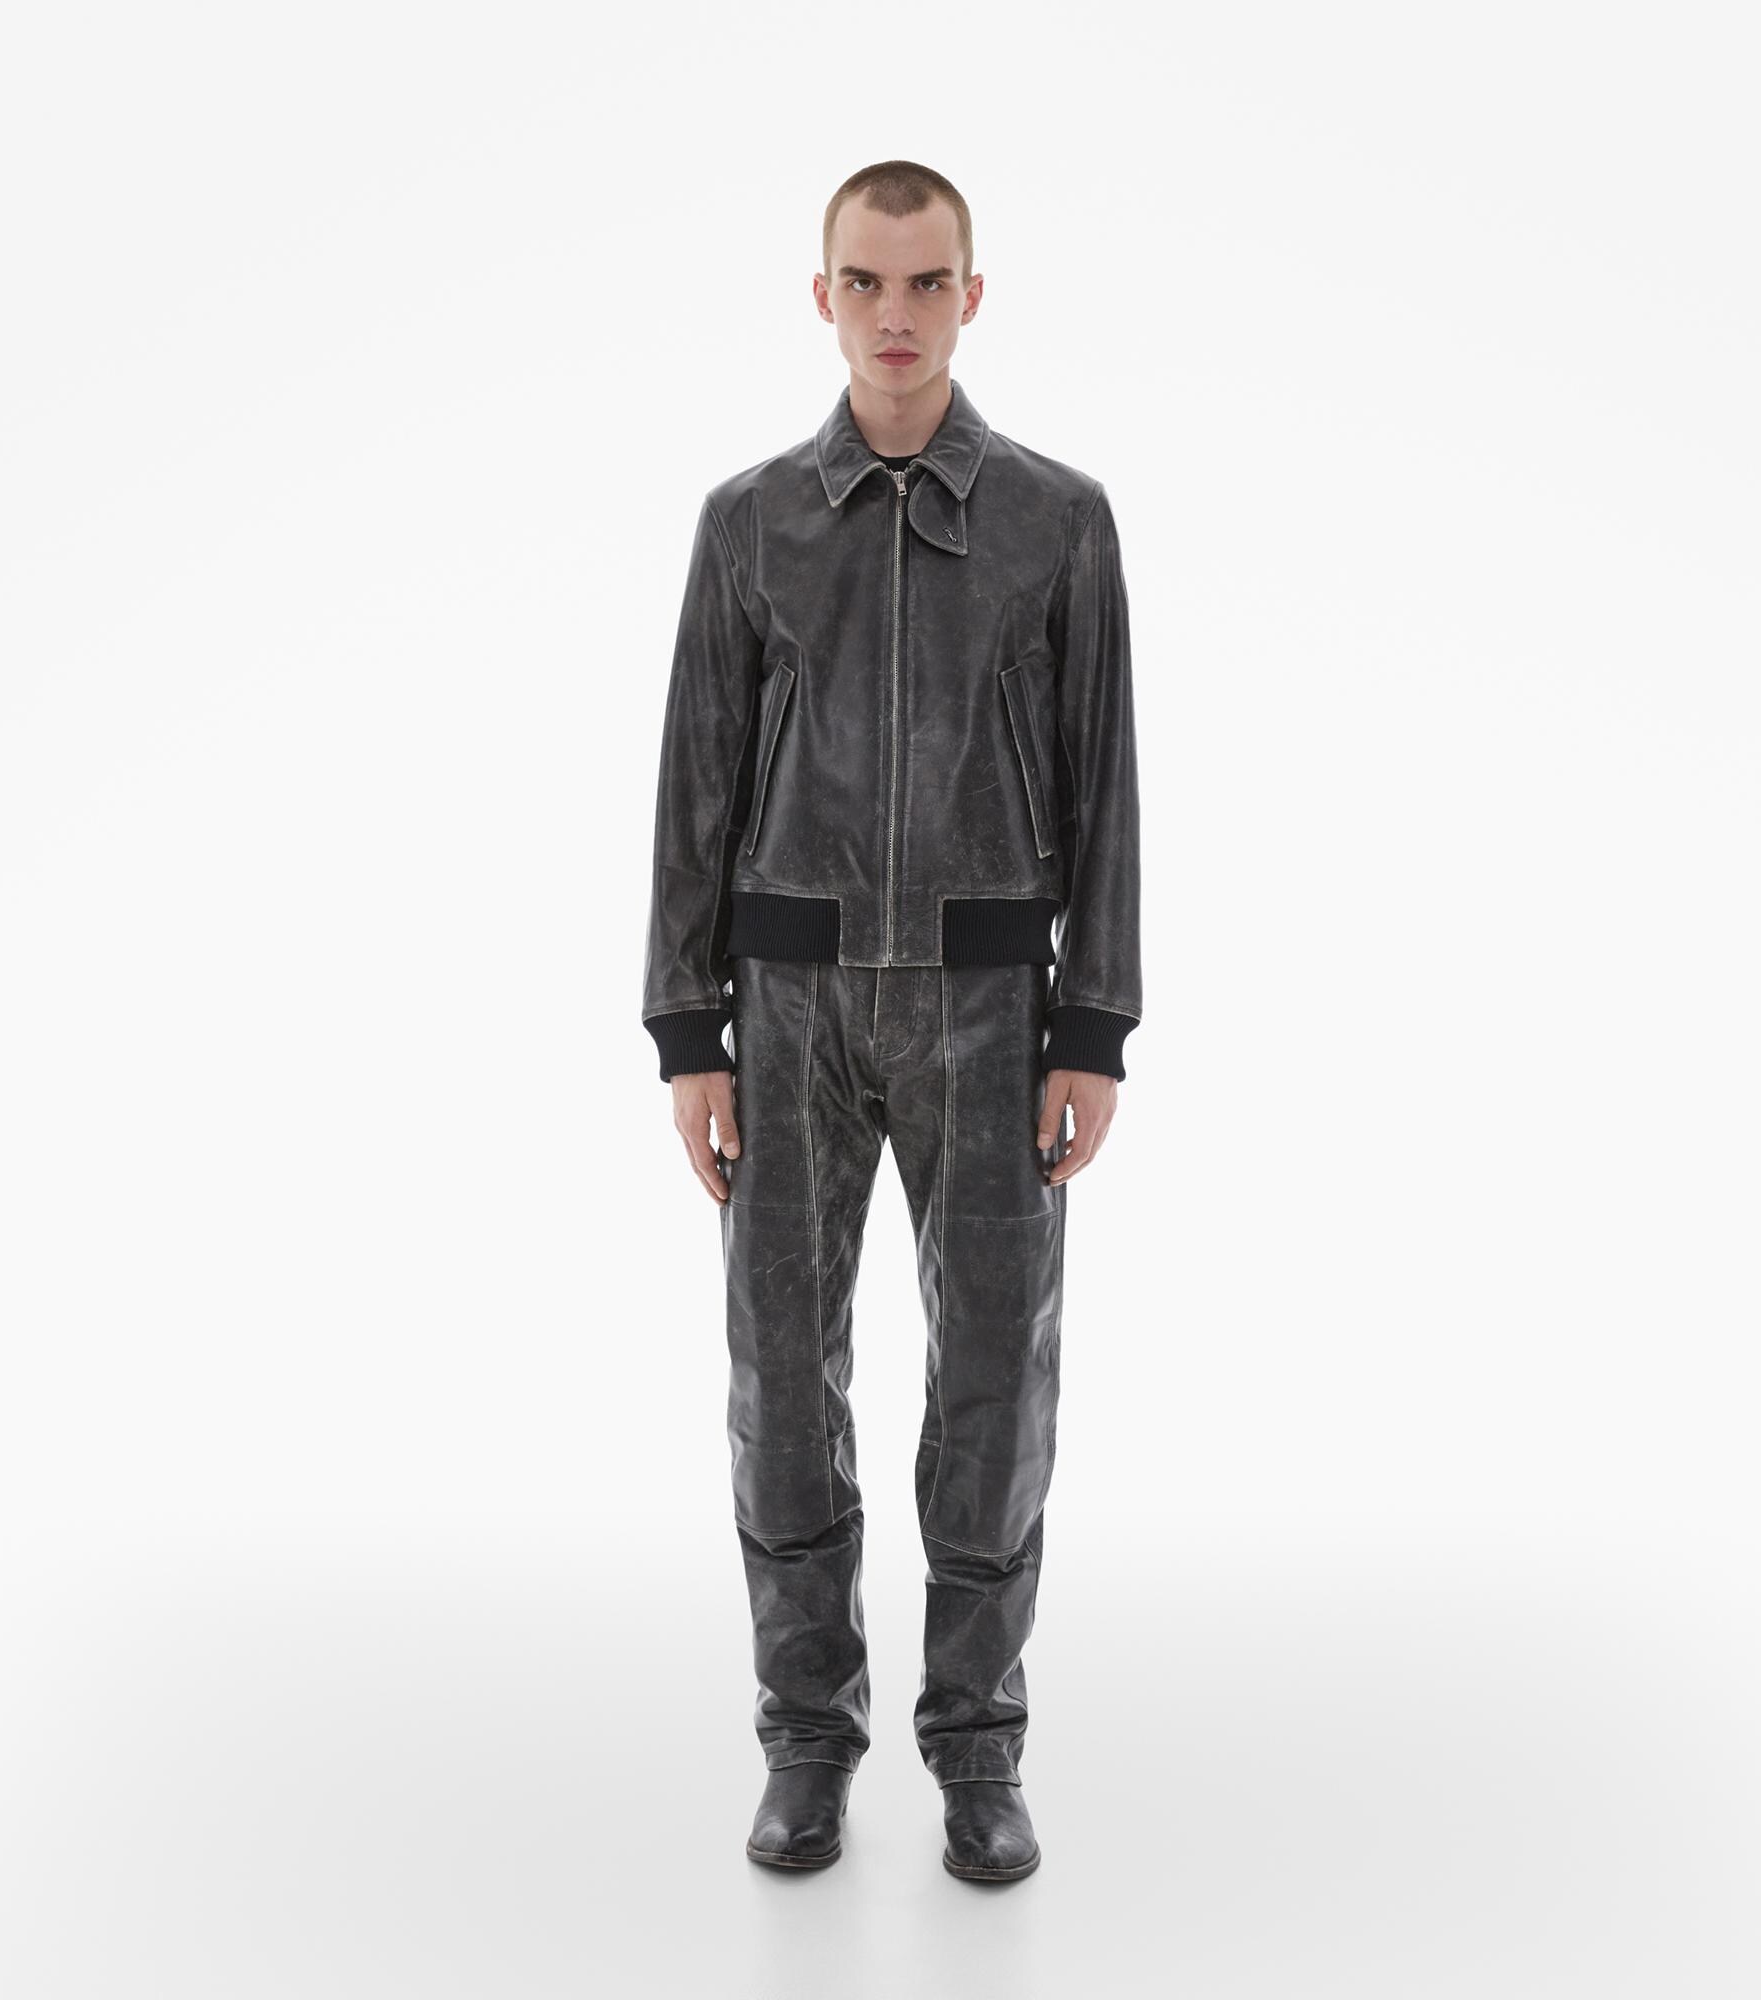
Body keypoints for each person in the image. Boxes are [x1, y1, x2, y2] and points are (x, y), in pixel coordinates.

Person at [639, 159, 1143, 1883]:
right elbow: (694, 785)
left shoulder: (1060, 522)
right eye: (866, 281)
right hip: (785, 1012)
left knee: (993, 1386)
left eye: (928, 283)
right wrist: (688, 1030)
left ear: (972, 296)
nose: (898, 315)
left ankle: (978, 1746)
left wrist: (1095, 1022)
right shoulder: (750, 524)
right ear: (825, 296)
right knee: (784, 1381)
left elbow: (1106, 783)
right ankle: (806, 1739)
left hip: (996, 1011)